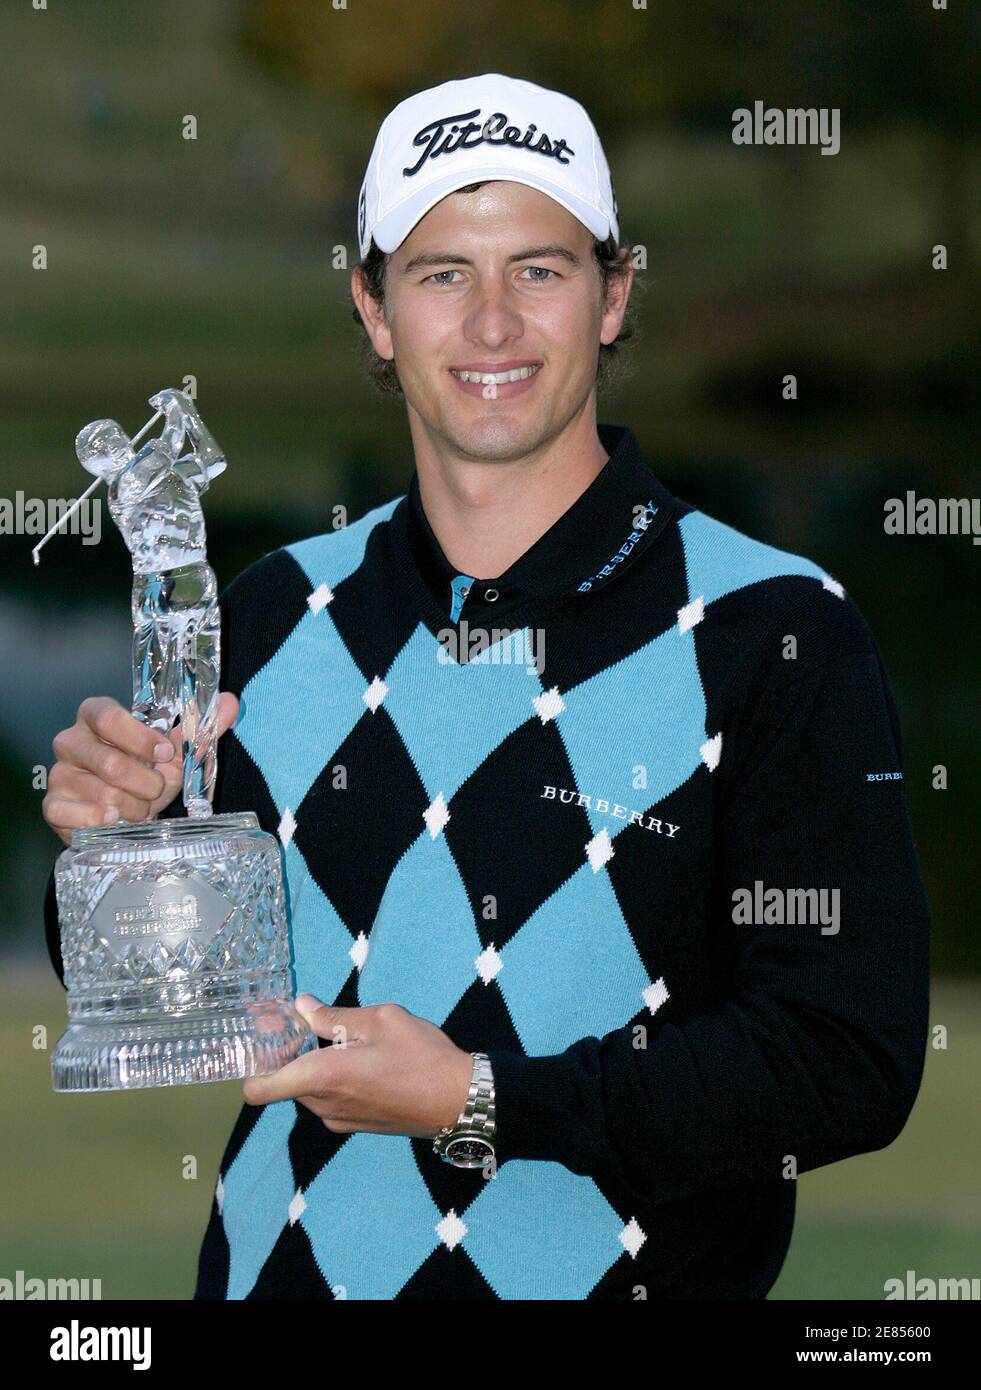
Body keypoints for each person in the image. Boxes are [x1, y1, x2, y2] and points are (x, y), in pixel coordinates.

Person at [42, 72, 931, 1300]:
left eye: (542, 269)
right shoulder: (271, 609)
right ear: (373, 307)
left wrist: (478, 1102)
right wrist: (117, 853)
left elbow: (848, 1061)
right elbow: (174, 997)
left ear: (614, 297)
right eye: (442, 272)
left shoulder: (773, 630)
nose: (494, 324)